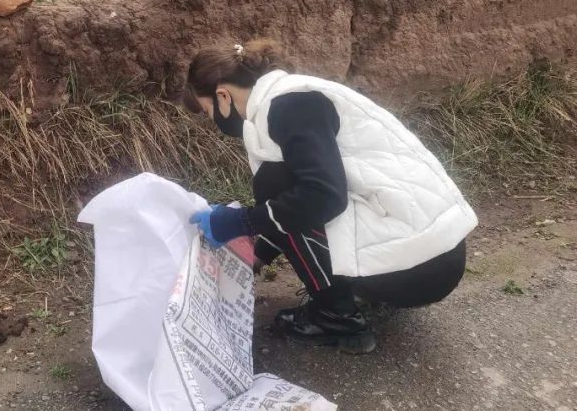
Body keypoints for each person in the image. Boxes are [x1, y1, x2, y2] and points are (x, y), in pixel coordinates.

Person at [184, 39, 478, 354]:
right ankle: (354, 291)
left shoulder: (289, 106)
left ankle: (334, 315)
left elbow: (323, 196)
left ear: (222, 95)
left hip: (421, 266)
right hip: (433, 253)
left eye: (208, 111)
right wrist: (257, 252)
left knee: (275, 182)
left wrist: (241, 222)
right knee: (284, 185)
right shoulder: (293, 95)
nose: (215, 121)